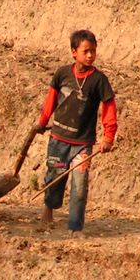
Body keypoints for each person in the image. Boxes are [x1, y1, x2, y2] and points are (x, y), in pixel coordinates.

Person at [33, 29, 117, 235]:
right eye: (86, 51)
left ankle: (75, 227)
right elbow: (51, 101)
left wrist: (108, 137)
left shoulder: (99, 80)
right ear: (74, 52)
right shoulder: (62, 74)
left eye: (93, 51)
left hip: (82, 144)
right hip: (58, 140)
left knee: (79, 186)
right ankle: (48, 212)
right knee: (54, 177)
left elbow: (109, 109)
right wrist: (42, 122)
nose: (90, 55)